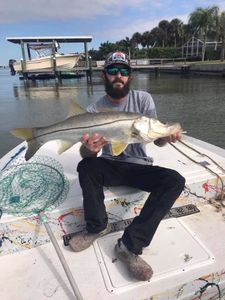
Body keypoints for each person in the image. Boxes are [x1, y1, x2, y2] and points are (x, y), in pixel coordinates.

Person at [69, 51, 185, 281]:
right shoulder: (94, 109)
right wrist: (90, 150)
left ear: (130, 75)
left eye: (123, 71)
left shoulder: (143, 100)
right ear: (105, 75)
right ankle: (96, 227)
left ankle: (129, 245)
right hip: (110, 165)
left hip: (139, 166)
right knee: (86, 166)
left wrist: (165, 135)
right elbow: (85, 153)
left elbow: (155, 137)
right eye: (113, 71)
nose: (118, 76)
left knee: (175, 180)